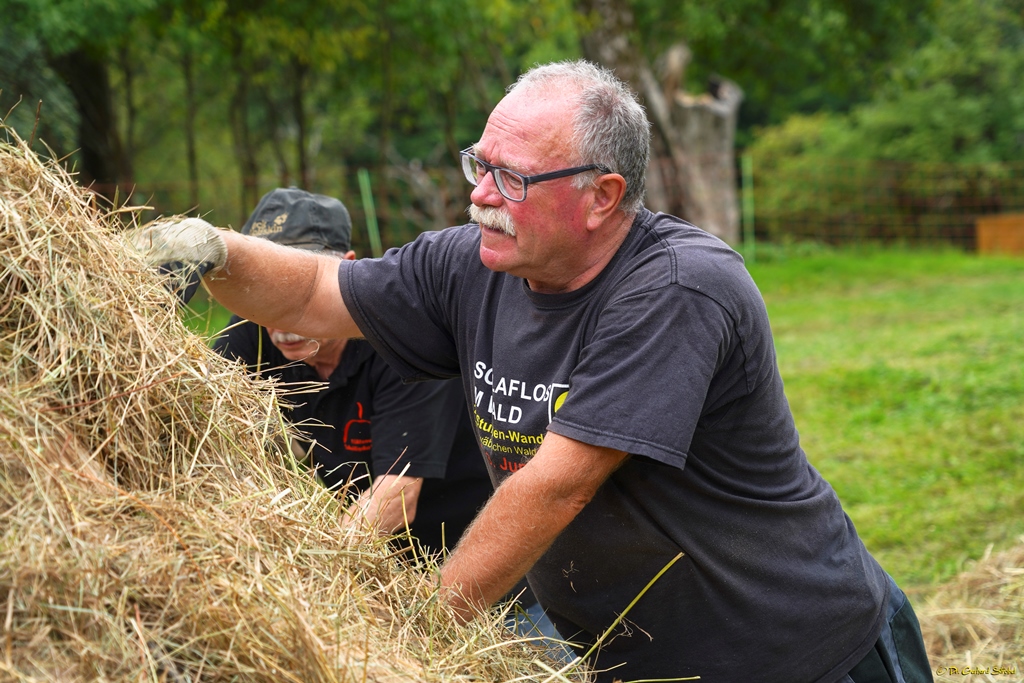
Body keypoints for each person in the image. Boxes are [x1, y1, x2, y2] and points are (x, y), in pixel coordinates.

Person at [136, 61, 933, 682]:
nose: (481, 195)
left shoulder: (677, 287)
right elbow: (313, 289)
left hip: (797, 654)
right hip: (638, 662)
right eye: (478, 164)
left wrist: (410, 633)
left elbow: (556, 485)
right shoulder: (467, 267)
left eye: (511, 178)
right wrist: (213, 249)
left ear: (601, 196)